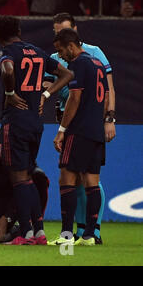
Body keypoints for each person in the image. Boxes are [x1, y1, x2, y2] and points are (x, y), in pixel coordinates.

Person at [0, 16, 73, 245]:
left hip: (15, 121)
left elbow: (7, 70)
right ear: (18, 30)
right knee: (28, 176)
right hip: (36, 123)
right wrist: (46, 95)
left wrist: (9, 94)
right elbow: (67, 74)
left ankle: (26, 233)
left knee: (19, 178)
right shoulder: (37, 52)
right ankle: (39, 231)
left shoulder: (6, 52)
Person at [43, 13, 115, 244]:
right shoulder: (97, 63)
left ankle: (66, 235)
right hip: (95, 131)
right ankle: (89, 235)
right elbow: (105, 97)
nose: (61, 56)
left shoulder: (79, 64)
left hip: (79, 130)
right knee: (92, 182)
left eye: (62, 51)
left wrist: (63, 129)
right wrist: (105, 119)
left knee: (67, 178)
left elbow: (74, 98)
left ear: (71, 46)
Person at [0, 124, 50, 232]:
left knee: (39, 177)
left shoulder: (14, 152)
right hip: (0, 196)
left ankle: (35, 225)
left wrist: (7, 217)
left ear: (2, 147)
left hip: (22, 194)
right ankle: (16, 231)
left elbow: (23, 185)